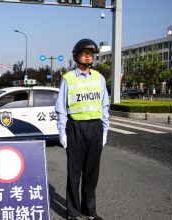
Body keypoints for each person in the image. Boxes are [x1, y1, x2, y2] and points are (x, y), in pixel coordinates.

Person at [55, 39, 110, 220]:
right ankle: (72, 212)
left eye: (91, 53)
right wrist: (62, 132)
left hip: (95, 128)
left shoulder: (99, 78)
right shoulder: (68, 78)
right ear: (76, 56)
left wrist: (105, 130)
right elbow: (61, 108)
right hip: (75, 128)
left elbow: (104, 106)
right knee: (74, 174)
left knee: (92, 174)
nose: (88, 55)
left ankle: (90, 211)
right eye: (85, 52)